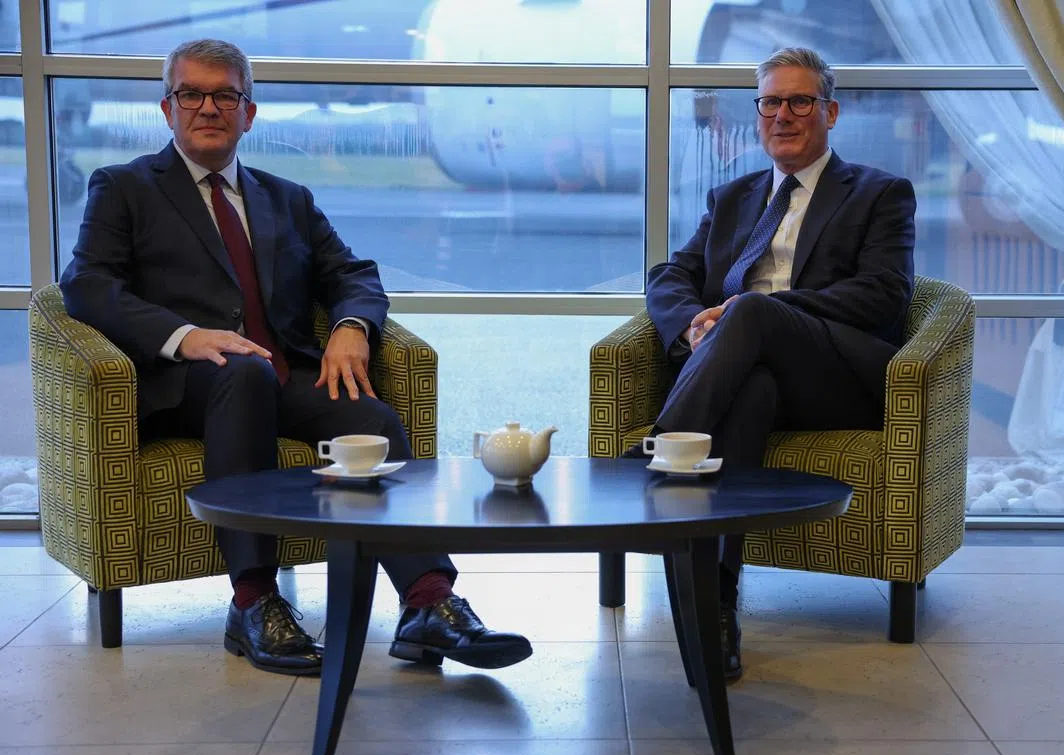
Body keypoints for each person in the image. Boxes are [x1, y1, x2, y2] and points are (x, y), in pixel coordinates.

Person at [59, 39, 532, 677]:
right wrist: (185, 336)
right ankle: (253, 601)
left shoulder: (286, 198)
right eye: (191, 94)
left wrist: (351, 326)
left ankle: (427, 603)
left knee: (370, 416)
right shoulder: (123, 187)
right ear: (167, 108)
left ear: (248, 113)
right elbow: (87, 285)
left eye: (225, 94)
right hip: (183, 385)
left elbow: (354, 275)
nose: (208, 108)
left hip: (278, 377)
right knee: (243, 372)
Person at [639, 47, 916, 681]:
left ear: (831, 111)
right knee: (751, 390)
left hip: (837, 375)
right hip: (745, 371)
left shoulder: (878, 193)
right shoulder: (734, 194)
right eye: (770, 101)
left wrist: (749, 311)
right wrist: (693, 320)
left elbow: (883, 294)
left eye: (800, 101)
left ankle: (655, 455)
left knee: (755, 312)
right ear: (757, 111)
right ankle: (718, 604)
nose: (782, 115)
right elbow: (670, 275)